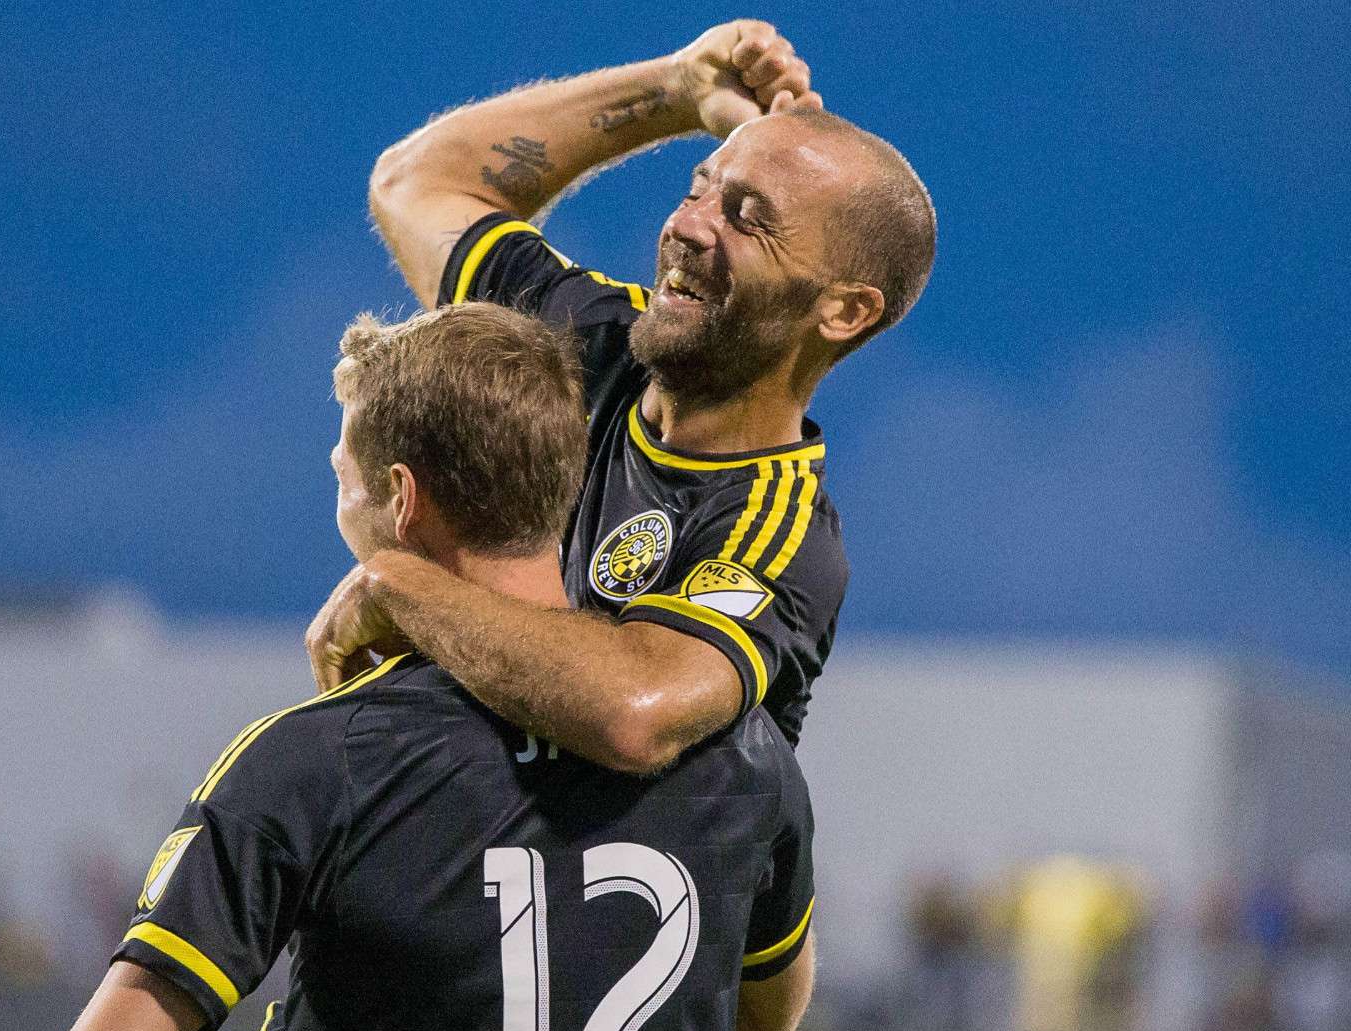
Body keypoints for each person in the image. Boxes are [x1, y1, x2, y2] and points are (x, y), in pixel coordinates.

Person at [43, 304, 817, 1031]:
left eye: (343, 476)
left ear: (401, 497)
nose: (340, 495)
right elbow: (769, 1016)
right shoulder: (746, 754)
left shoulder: (318, 759)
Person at [306, 19, 936, 774]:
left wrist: (401, 584)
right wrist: (679, 91)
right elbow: (417, 184)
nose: (687, 226)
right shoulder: (586, 341)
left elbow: (637, 712)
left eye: (747, 219)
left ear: (844, 312)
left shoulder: (776, 526)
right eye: (699, 189)